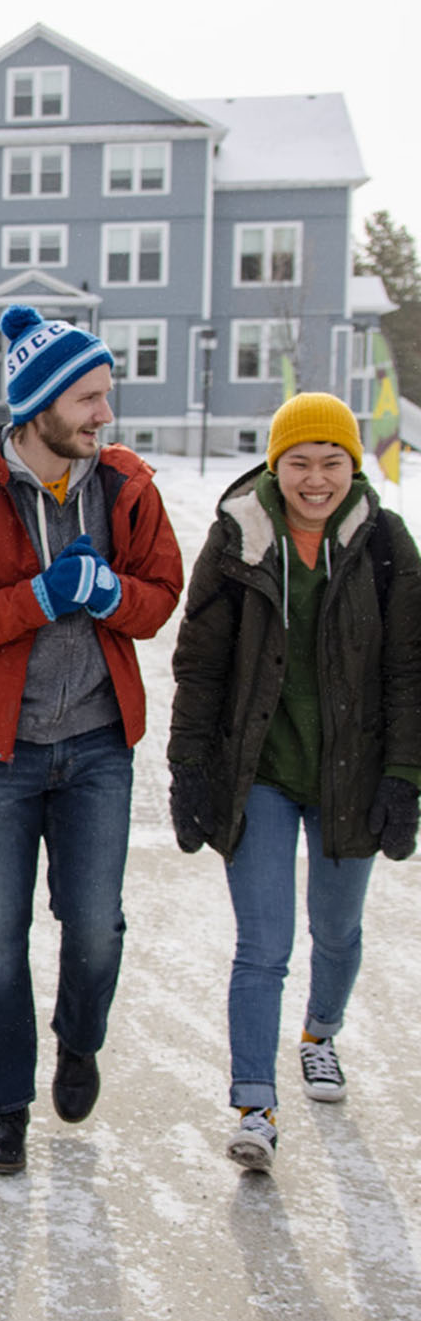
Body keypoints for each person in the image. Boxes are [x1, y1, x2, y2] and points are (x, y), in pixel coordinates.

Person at [0, 304, 183, 1175]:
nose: (105, 416)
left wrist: (111, 596)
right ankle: (6, 1106)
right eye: (90, 400)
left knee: (96, 929)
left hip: (100, 746)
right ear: (39, 405)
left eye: (106, 396)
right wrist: (40, 597)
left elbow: (160, 595)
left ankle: (79, 1041)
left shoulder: (126, 487)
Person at [169, 392, 421, 1173]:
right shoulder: (239, 538)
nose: (317, 479)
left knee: (337, 932)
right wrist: (187, 769)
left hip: (353, 773)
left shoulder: (384, 542)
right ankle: (254, 1104)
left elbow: (412, 669)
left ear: (353, 465)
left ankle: (319, 1035)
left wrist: (406, 777)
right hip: (263, 774)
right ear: (276, 466)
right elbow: (200, 664)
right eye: (300, 463)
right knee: (263, 945)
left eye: (332, 462)